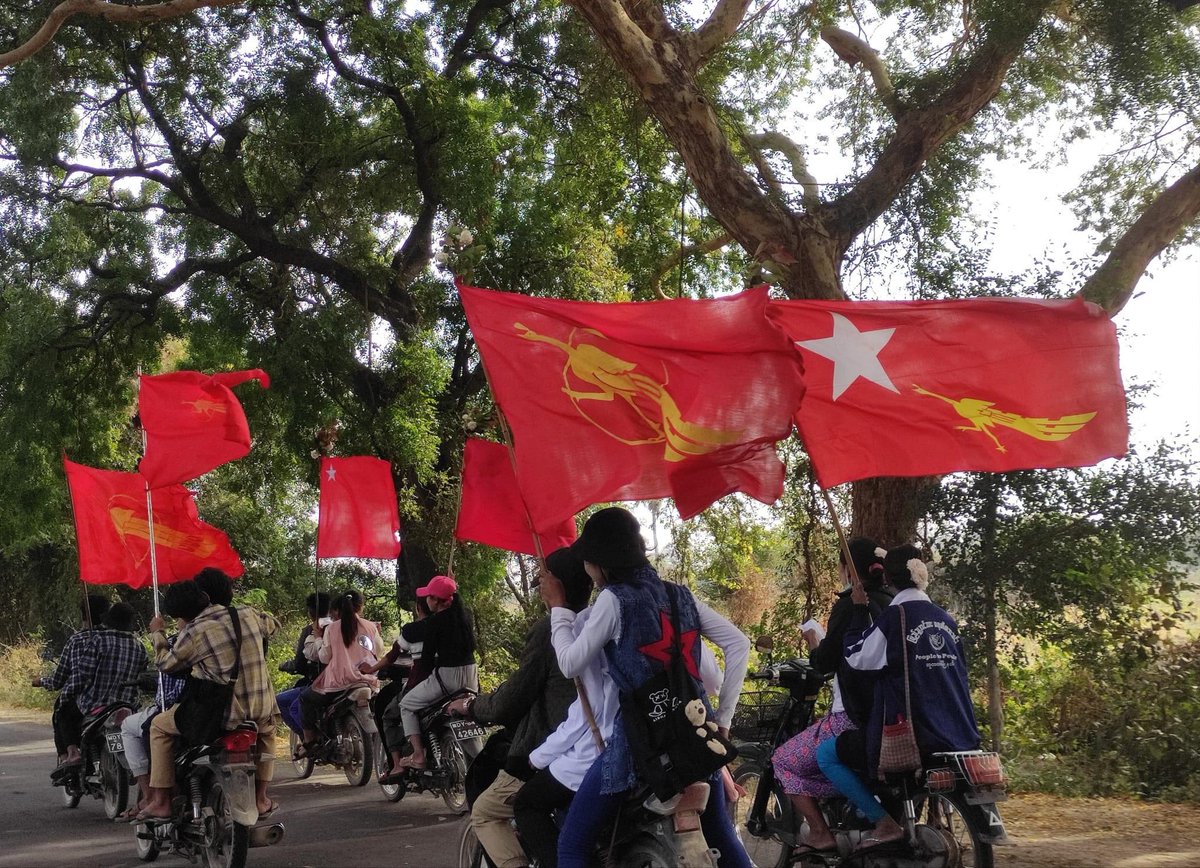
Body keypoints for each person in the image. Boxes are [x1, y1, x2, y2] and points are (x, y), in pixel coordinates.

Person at [537, 506, 752, 868]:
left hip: (640, 745)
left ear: (601, 562)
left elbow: (570, 662)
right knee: (722, 836)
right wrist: (725, 720)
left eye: (589, 561)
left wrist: (558, 608)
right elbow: (738, 644)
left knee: (572, 846)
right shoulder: (679, 595)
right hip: (698, 736)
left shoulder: (613, 598)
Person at [817, 544, 982, 857]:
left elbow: (856, 657)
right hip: (958, 732)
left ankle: (882, 824)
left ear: (888, 578)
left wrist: (859, 613)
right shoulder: (946, 619)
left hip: (909, 735)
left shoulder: (897, 617)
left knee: (827, 754)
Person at [448, 547, 592, 868]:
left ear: (555, 586)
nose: (540, 589)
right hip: (603, 745)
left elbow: (512, 698)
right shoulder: (600, 620)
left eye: (543, 582)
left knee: (485, 811)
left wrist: (472, 706)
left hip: (557, 745)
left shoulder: (551, 630)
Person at [771, 537, 891, 857]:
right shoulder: (896, 601)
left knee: (783, 760)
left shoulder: (850, 603)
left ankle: (821, 833)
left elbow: (824, 663)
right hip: (891, 712)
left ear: (847, 569)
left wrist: (813, 640)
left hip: (851, 716)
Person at [141, 572, 281, 821]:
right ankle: (261, 798)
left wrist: (158, 634)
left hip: (221, 716)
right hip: (261, 709)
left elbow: (165, 664)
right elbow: (273, 625)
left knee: (158, 727)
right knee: (268, 734)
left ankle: (161, 801)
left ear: (181, 617)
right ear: (204, 597)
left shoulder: (193, 631)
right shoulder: (246, 614)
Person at [117, 583, 200, 821]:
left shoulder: (182, 640)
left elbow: (167, 667)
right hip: (233, 710)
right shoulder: (232, 630)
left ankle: (153, 796)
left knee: (140, 727)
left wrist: (157, 633)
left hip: (183, 709)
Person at [394, 574, 478, 770]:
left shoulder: (434, 622)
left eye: (429, 597)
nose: (426, 600)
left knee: (406, 705)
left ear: (437, 601)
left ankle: (418, 755)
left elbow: (427, 661)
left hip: (446, 680)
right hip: (471, 678)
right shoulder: (466, 615)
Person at [33, 594, 112, 776]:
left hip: (87, 702)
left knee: (61, 709)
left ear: (83, 615)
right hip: (121, 701)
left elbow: (59, 679)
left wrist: (42, 681)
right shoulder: (120, 639)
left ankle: (71, 752)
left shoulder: (77, 641)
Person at [297, 590, 383, 753]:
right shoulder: (371, 626)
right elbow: (377, 650)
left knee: (305, 698)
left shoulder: (331, 629)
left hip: (339, 683)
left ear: (336, 611)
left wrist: (317, 637)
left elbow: (324, 657)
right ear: (360, 607)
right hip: (367, 680)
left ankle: (309, 741)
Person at [365, 594, 432, 777]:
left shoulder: (412, 630)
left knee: (390, 715)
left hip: (420, 684)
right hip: (452, 683)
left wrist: (370, 669)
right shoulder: (447, 626)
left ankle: (398, 765)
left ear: (418, 608)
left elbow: (392, 655)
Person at [276, 591, 331, 735]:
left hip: (319, 683)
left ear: (311, 612)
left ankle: (308, 739)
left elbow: (299, 664)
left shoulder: (310, 630)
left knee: (284, 703)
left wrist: (285, 666)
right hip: (345, 679)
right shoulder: (340, 627)